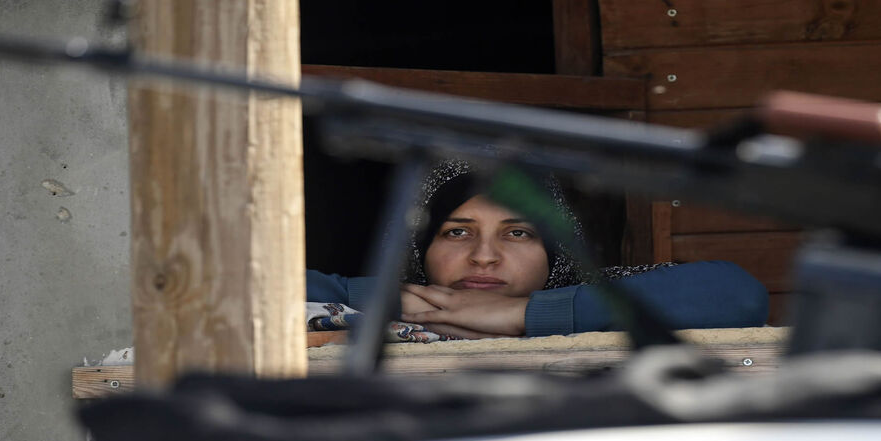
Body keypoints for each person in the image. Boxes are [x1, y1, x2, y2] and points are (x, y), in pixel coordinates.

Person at [307, 160, 769, 339]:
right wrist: (387, 297)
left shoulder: (599, 294)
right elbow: (269, 290)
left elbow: (737, 295)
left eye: (518, 233)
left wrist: (523, 314)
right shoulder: (383, 307)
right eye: (457, 232)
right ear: (419, 247)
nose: (484, 256)